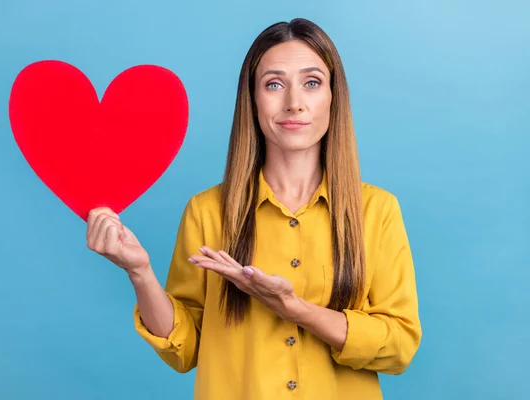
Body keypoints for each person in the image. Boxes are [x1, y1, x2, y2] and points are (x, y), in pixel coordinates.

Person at [86, 17, 422, 400]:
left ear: (333, 96)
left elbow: (399, 346)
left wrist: (294, 308)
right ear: (253, 100)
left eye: (311, 83)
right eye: (274, 84)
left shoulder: (377, 211)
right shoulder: (206, 211)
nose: (294, 103)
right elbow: (186, 349)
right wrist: (140, 272)